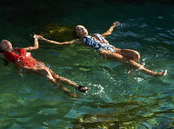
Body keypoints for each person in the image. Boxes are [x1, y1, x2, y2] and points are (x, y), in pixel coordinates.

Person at [0, 36, 88, 97]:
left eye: (6, 40)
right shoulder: (3, 55)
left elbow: (35, 47)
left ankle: (78, 87)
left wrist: (36, 38)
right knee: (45, 72)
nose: (5, 41)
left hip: (36, 63)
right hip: (27, 68)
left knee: (55, 75)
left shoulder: (21, 49)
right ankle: (65, 91)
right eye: (2, 42)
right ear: (1, 48)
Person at [35, 22, 167, 77]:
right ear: (77, 34)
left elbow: (107, 33)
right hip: (104, 52)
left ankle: (132, 72)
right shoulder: (80, 41)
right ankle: (153, 74)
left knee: (135, 55)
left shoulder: (95, 35)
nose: (81, 29)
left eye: (82, 27)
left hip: (115, 49)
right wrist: (44, 39)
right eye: (78, 29)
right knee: (128, 61)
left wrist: (113, 25)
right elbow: (61, 43)